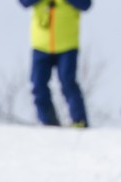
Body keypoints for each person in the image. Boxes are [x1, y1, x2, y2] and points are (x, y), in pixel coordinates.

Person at [19, 0, 92, 128]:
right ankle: (48, 123)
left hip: (67, 45)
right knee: (38, 85)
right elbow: (24, 2)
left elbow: (86, 4)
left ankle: (79, 121)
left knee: (68, 83)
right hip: (41, 45)